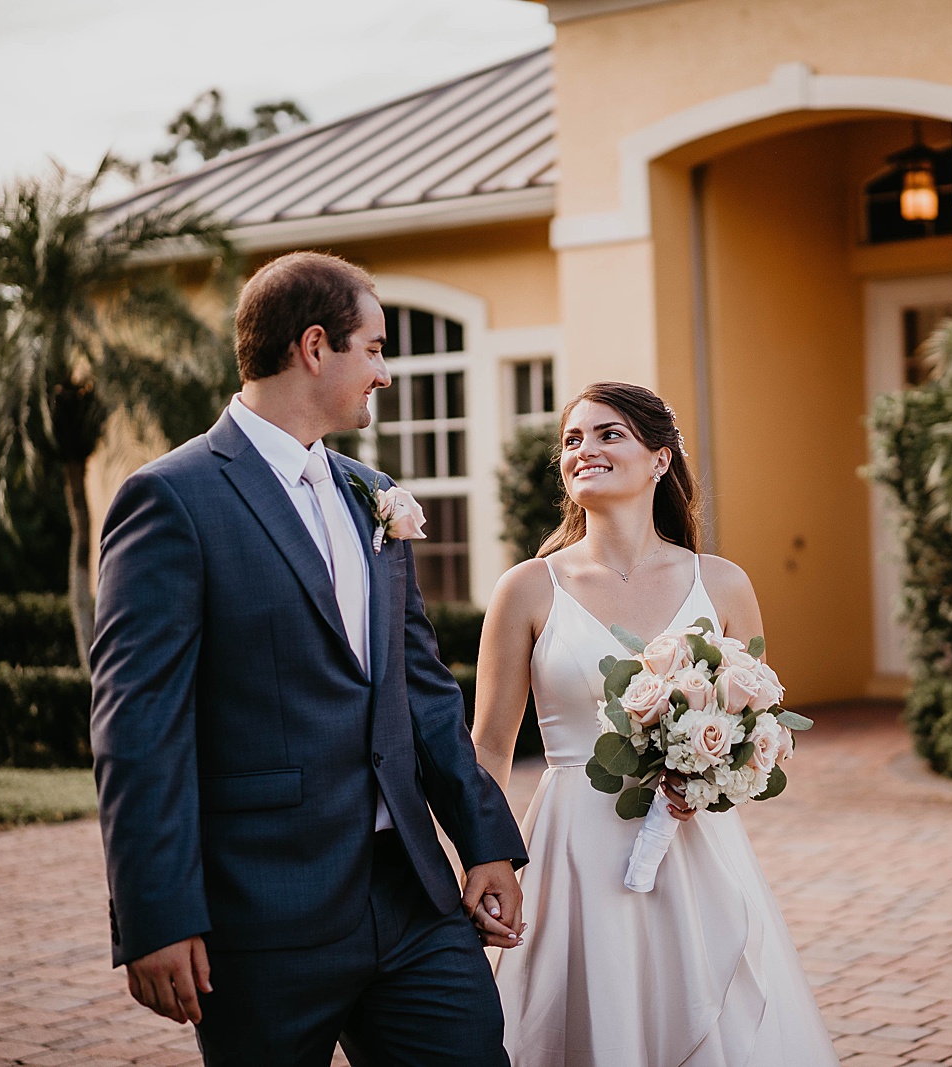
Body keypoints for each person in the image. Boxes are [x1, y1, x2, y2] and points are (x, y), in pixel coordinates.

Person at [90, 250, 529, 1066]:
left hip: (412, 899)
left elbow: (422, 691)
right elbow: (138, 726)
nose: (386, 372)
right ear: (315, 346)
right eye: (376, 347)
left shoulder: (371, 491)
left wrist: (484, 843)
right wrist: (156, 913)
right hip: (262, 911)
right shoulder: (172, 498)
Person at [471, 381, 840, 1066]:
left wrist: (712, 771)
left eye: (608, 433)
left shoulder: (722, 582)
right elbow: (489, 744)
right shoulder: (527, 586)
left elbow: (759, 731)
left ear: (661, 459)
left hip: (693, 844)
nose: (585, 449)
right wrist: (484, 855)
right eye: (571, 439)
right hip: (573, 848)